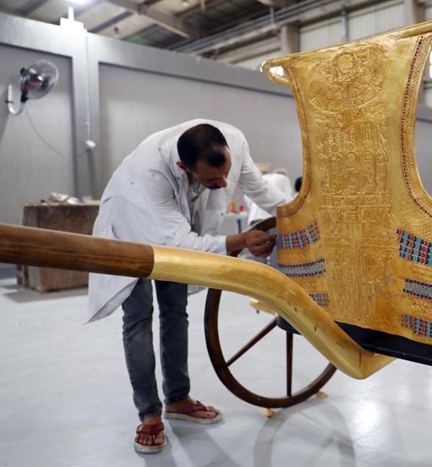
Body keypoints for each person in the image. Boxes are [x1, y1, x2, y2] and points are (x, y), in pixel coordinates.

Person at [87, 120, 291, 454]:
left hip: (174, 229)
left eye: (225, 174)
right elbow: (179, 242)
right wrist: (239, 240)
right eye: (213, 180)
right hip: (129, 228)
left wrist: (300, 216)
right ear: (184, 167)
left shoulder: (234, 144)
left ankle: (178, 399)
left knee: (175, 312)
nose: (224, 183)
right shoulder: (149, 175)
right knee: (138, 319)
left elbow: (262, 192)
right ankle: (149, 415)